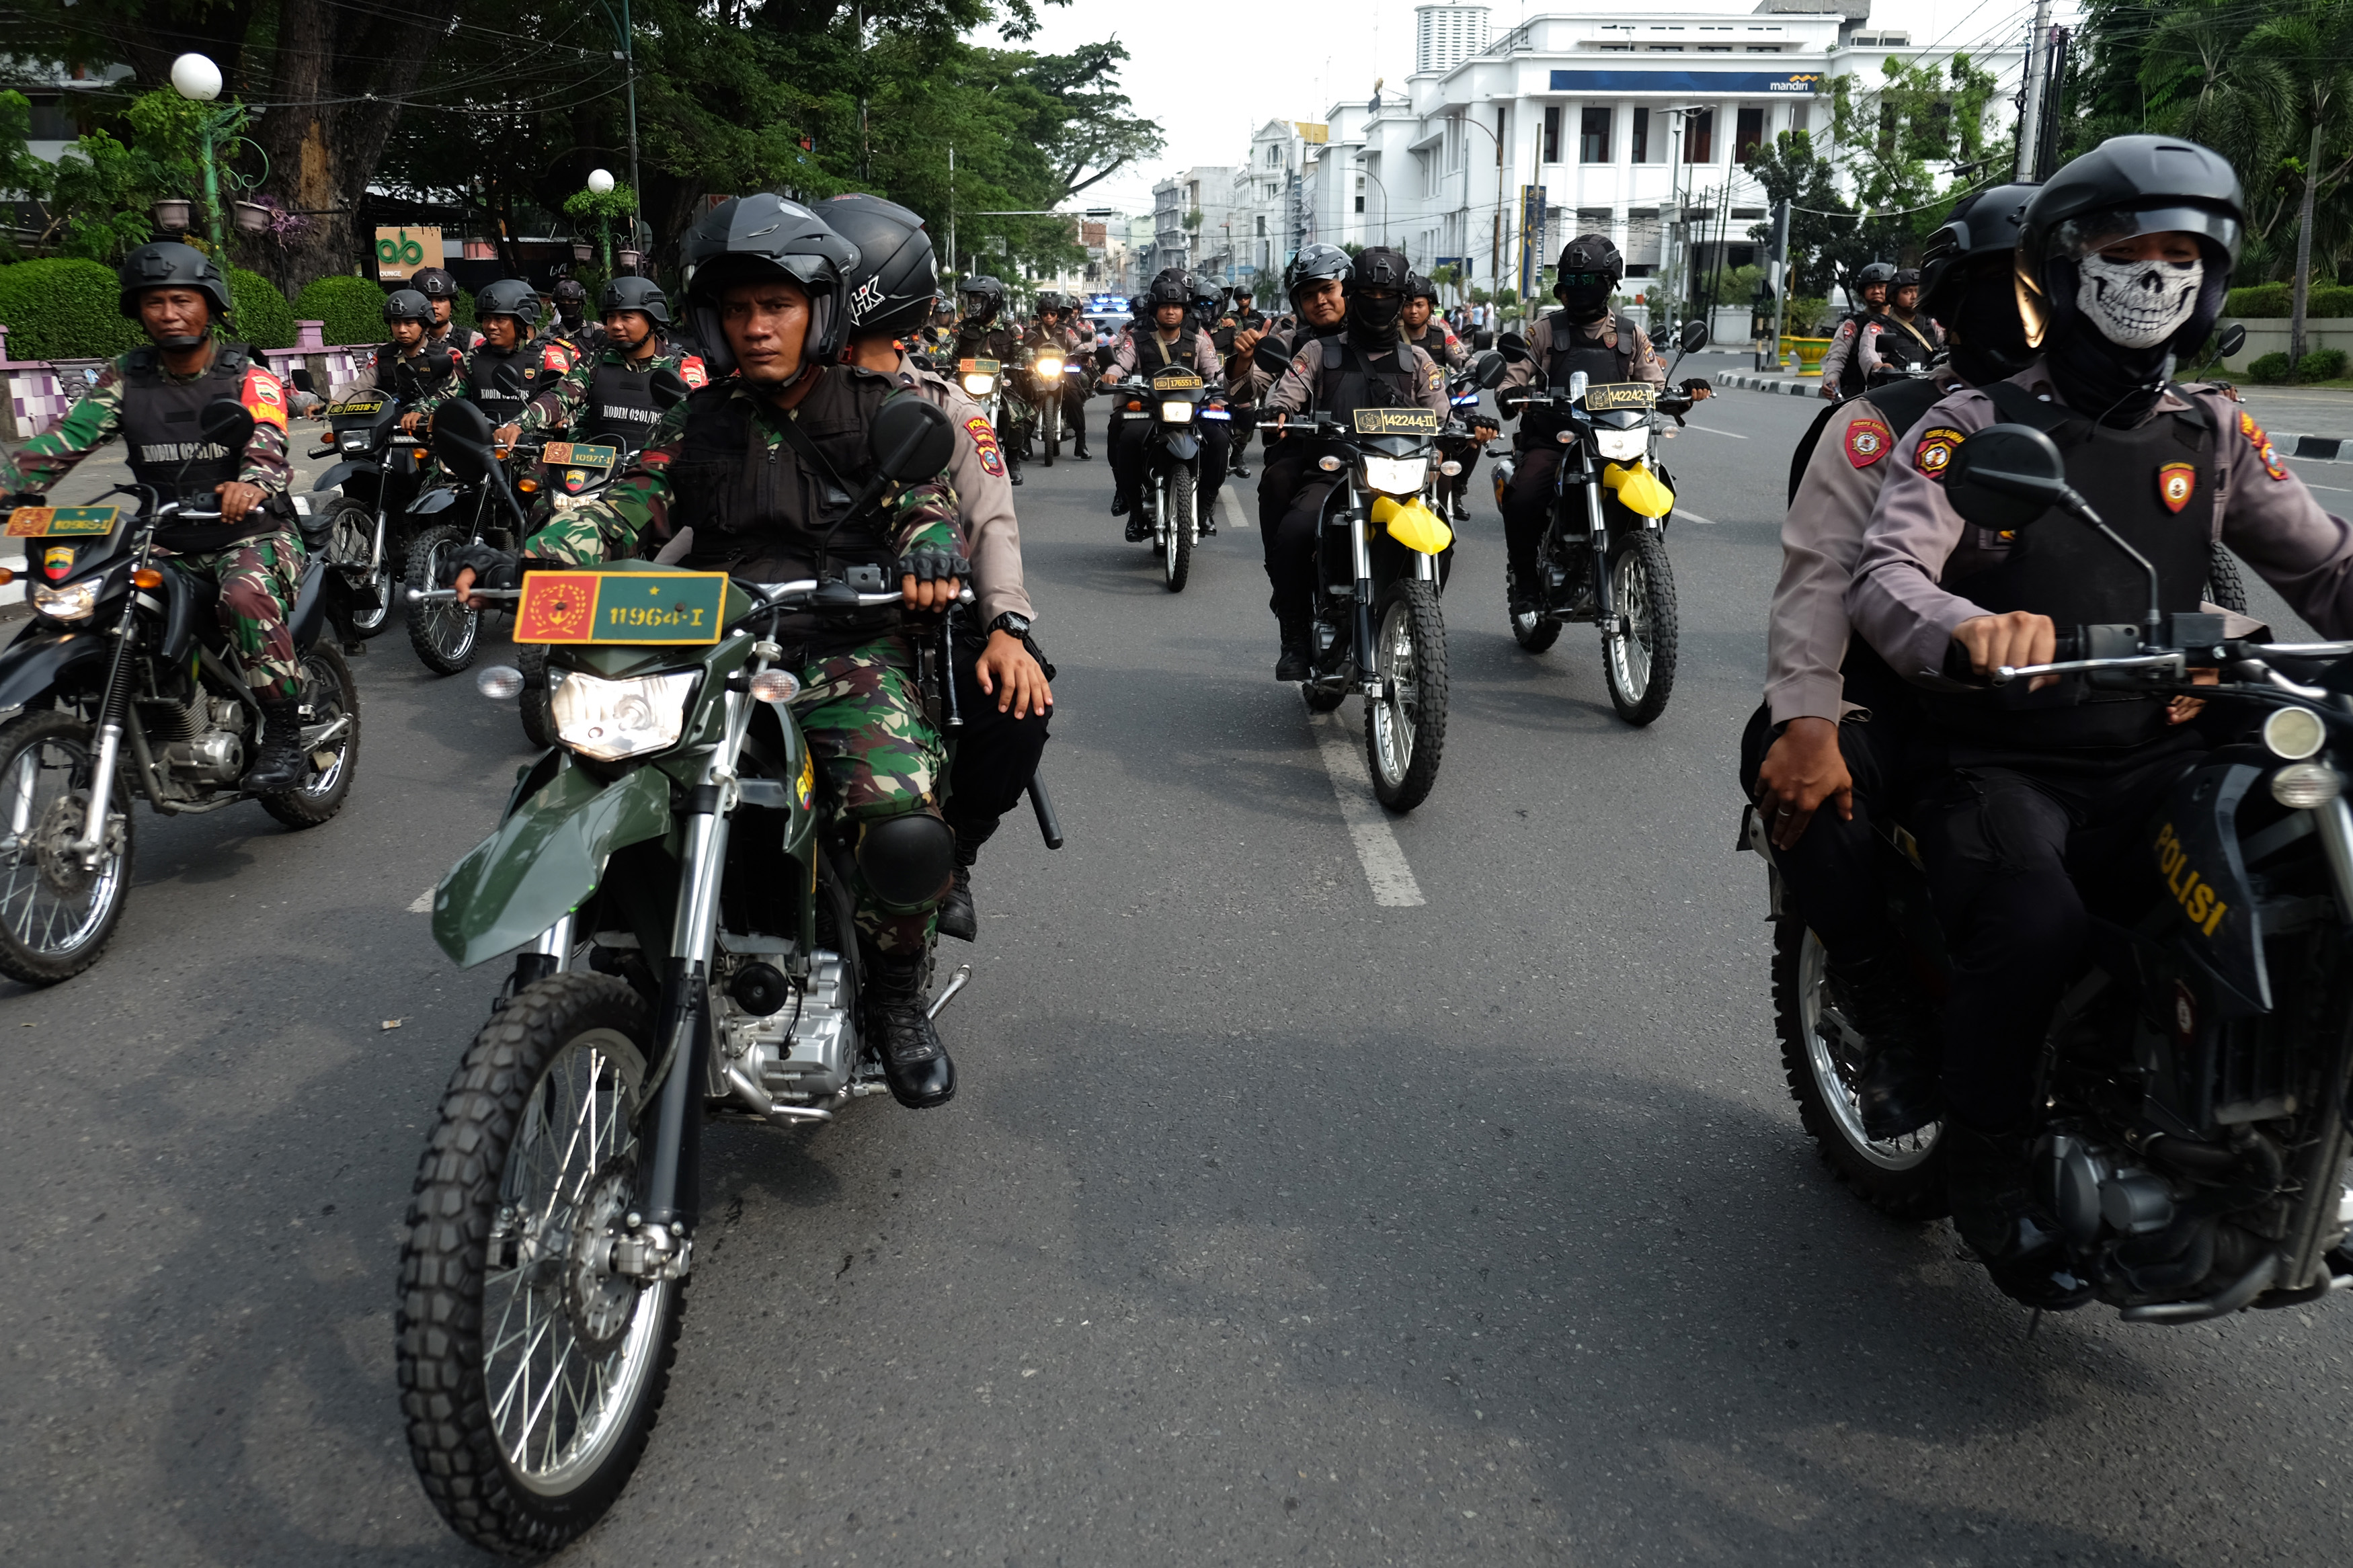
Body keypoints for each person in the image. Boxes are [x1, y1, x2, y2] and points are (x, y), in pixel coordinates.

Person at [1846, 136, 2353, 1304]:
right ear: (2066, 267)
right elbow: (1887, 573)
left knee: (2296, 858)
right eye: (2130, 250)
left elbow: (2326, 569)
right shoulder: (1973, 422)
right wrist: (1972, 628)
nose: (2156, 276)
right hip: (2008, 758)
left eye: (2185, 254)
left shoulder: (2211, 433)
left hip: (2169, 743)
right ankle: (1987, 1165)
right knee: (2033, 918)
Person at [449, 194, 969, 1109]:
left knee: (895, 816)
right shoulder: (698, 418)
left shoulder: (877, 406)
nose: (756, 326)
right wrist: (539, 553)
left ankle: (895, 993)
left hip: (838, 645)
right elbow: (628, 503)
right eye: (737, 309)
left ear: (819, 312)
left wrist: (930, 553)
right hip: (709, 645)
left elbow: (924, 506)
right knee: (590, 766)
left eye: (776, 305)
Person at [1741, 183, 2040, 1140]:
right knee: (1797, 768)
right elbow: (1820, 581)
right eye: (2005, 285)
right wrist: (1806, 718)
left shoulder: (2115, 418)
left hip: (2067, 703)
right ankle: (1882, 1001)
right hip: (1901, 696)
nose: (2033, 307)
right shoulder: (1885, 419)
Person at [818, 192, 1054, 946]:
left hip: (913, 617)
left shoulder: (945, 408)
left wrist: (1005, 625)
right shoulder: (770, 401)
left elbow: (990, 525)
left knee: (1018, 708)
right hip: (781, 611)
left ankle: (957, 849)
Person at [0, 242, 311, 790]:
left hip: (252, 533)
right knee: (93, 600)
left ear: (209, 305)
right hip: (163, 536)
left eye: (181, 300)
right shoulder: (126, 377)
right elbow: (65, 440)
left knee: (244, 597)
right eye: (154, 302)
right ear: (138, 311)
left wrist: (253, 483)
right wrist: (11, 483)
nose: (168, 314)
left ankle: (286, 732)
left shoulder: (247, 373)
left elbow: (267, 438)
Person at [1255, 245, 1449, 679]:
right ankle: (1294, 635)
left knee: (1444, 539)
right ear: (1353, 296)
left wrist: (1468, 425)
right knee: (1295, 532)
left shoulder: (1418, 360)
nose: (1378, 304)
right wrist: (1279, 412)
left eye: (1388, 296)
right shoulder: (1317, 352)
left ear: (1402, 302)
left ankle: (1418, 620)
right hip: (1336, 475)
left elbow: (1441, 414)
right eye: (1368, 295)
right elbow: (1287, 394)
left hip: (1400, 480)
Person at [1494, 235, 1676, 619]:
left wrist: (1682, 394)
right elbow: (1511, 379)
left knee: (1662, 488)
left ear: (1609, 283)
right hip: (1555, 441)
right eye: (1572, 281)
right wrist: (1515, 393)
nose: (1578, 289)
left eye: (1587, 280)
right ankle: (1526, 583)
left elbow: (1654, 386)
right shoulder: (1544, 331)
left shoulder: (1630, 334)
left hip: (1614, 442)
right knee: (1523, 498)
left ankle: (1633, 555)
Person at [1231, 243, 1351, 635]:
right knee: (1279, 485)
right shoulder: (1287, 338)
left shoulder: (1377, 337)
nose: (1320, 301)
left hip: (1374, 452)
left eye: (1328, 290)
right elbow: (1250, 391)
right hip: (1303, 450)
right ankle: (1287, 593)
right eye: (1309, 294)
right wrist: (1245, 360)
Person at [497, 276, 709, 452]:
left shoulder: (683, 367)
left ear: (653, 321)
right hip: (594, 473)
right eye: (611, 317)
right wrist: (518, 425)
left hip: (656, 478)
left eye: (626, 317)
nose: (615, 325)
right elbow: (559, 397)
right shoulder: (595, 362)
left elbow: (704, 427)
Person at [1103, 267, 1228, 538]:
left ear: (1184, 311)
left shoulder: (1198, 341)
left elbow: (1215, 372)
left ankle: (1206, 507)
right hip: (1150, 409)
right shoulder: (1137, 339)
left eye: (1176, 307)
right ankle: (1134, 511)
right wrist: (1112, 374)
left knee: (1219, 440)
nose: (1170, 312)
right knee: (1126, 436)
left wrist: (1224, 387)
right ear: (1155, 311)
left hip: (1191, 410)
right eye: (1164, 307)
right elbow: (1120, 364)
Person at [406, 278, 573, 434]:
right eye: (487, 319)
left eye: (500, 319)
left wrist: (562, 421)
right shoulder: (472, 359)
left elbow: (564, 400)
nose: (491, 326)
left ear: (519, 323)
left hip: (531, 446)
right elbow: (447, 395)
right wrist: (421, 410)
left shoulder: (545, 356)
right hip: (483, 443)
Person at [1402, 271, 1492, 523]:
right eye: (1407, 305)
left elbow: (1460, 355)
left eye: (1419, 305)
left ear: (1430, 306)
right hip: (1402, 402)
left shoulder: (1440, 330)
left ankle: (1458, 487)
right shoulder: (1390, 333)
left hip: (1441, 397)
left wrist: (1478, 368)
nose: (1413, 311)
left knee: (1472, 425)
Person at [953, 275, 1025, 486]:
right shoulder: (961, 328)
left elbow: (1023, 352)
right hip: (966, 383)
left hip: (1001, 383)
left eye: (976, 299)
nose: (972, 303)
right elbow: (947, 347)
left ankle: (1013, 462)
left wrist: (1025, 361)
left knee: (1015, 413)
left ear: (992, 300)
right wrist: (937, 359)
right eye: (971, 299)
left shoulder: (1011, 330)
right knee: (946, 409)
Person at [1023, 290, 1090, 460]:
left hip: (1062, 371)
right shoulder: (1032, 332)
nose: (1049, 317)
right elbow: (1022, 348)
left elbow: (1078, 345)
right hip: (1038, 373)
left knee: (1074, 396)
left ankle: (1081, 443)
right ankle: (1024, 443)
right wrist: (1025, 359)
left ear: (1057, 315)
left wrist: (1084, 353)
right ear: (1040, 315)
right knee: (1024, 396)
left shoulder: (1066, 331)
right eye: (1045, 314)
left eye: (1052, 314)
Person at [1818, 261, 1897, 400]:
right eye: (1871, 287)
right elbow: (1837, 356)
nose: (1876, 291)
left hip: (1897, 393)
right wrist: (1831, 379)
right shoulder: (1853, 324)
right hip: (1858, 395)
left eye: (1882, 287)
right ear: (1863, 292)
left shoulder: (1901, 322)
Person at [1855, 266, 1943, 385]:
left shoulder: (1932, 323)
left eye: (1918, 291)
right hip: (1895, 388)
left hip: (1931, 385)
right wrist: (1878, 365)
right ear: (1893, 297)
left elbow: (1946, 347)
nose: (1914, 297)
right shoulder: (1879, 325)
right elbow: (1868, 350)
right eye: (1907, 292)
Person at [372, 287, 463, 395]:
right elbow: (359, 390)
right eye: (396, 323)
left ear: (425, 326)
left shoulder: (450, 355)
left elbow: (463, 392)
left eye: (409, 323)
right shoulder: (382, 356)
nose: (402, 330)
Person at [411, 266, 481, 356]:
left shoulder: (472, 340)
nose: (434, 306)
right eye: (427, 300)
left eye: (441, 300)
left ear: (451, 305)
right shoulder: (407, 342)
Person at [549, 276, 606, 360]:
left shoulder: (596, 331)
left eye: (572, 301)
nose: (566, 305)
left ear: (580, 304)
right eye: (562, 301)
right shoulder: (549, 333)